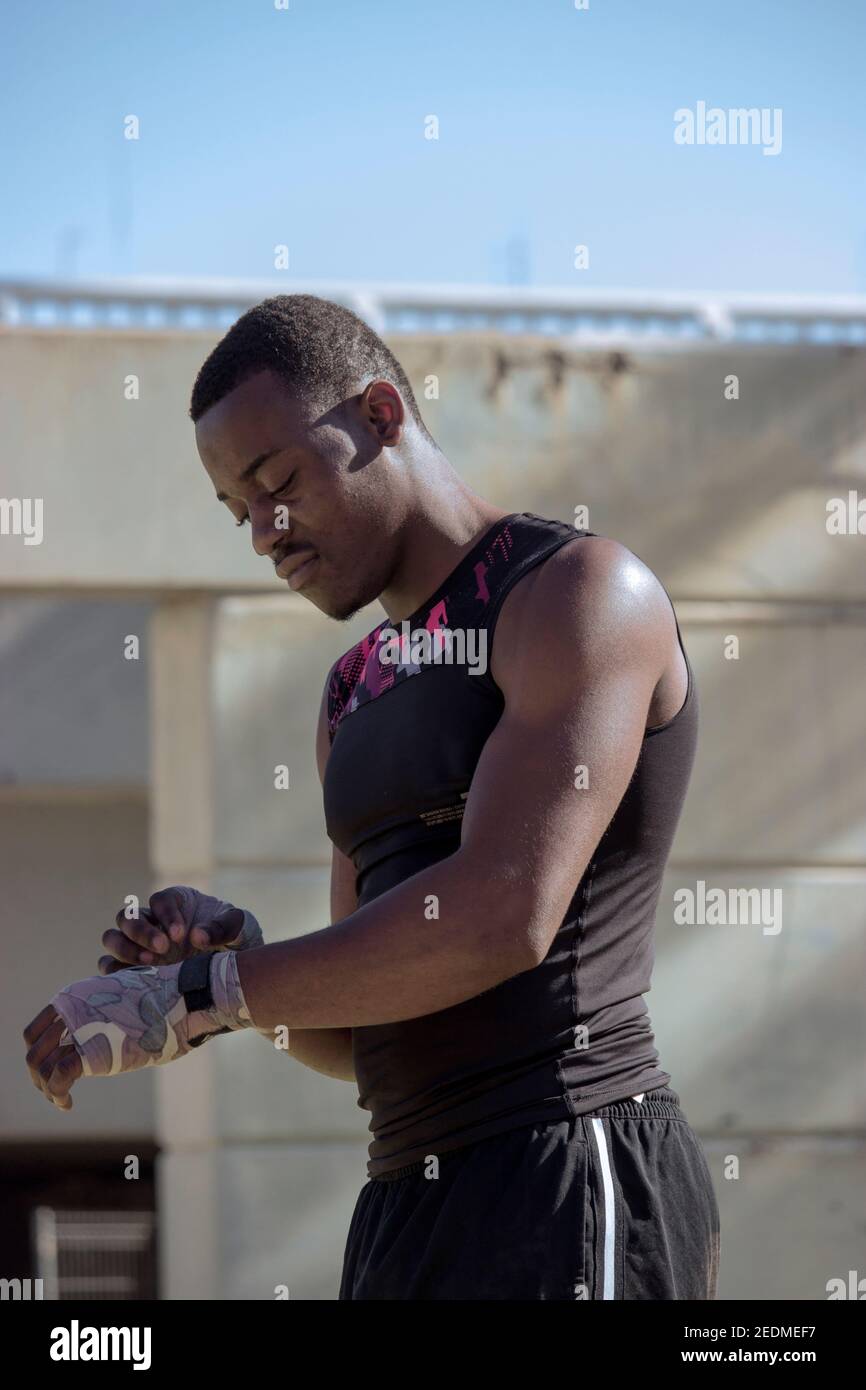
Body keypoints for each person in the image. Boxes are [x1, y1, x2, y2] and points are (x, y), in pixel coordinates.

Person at [24, 294, 720, 1300]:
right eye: (238, 513)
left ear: (381, 416)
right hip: (403, 1200)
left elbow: (501, 914)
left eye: (277, 484)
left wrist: (189, 1000)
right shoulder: (354, 689)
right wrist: (234, 971)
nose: (264, 533)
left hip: (570, 1166)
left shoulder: (575, 592)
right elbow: (363, 1041)